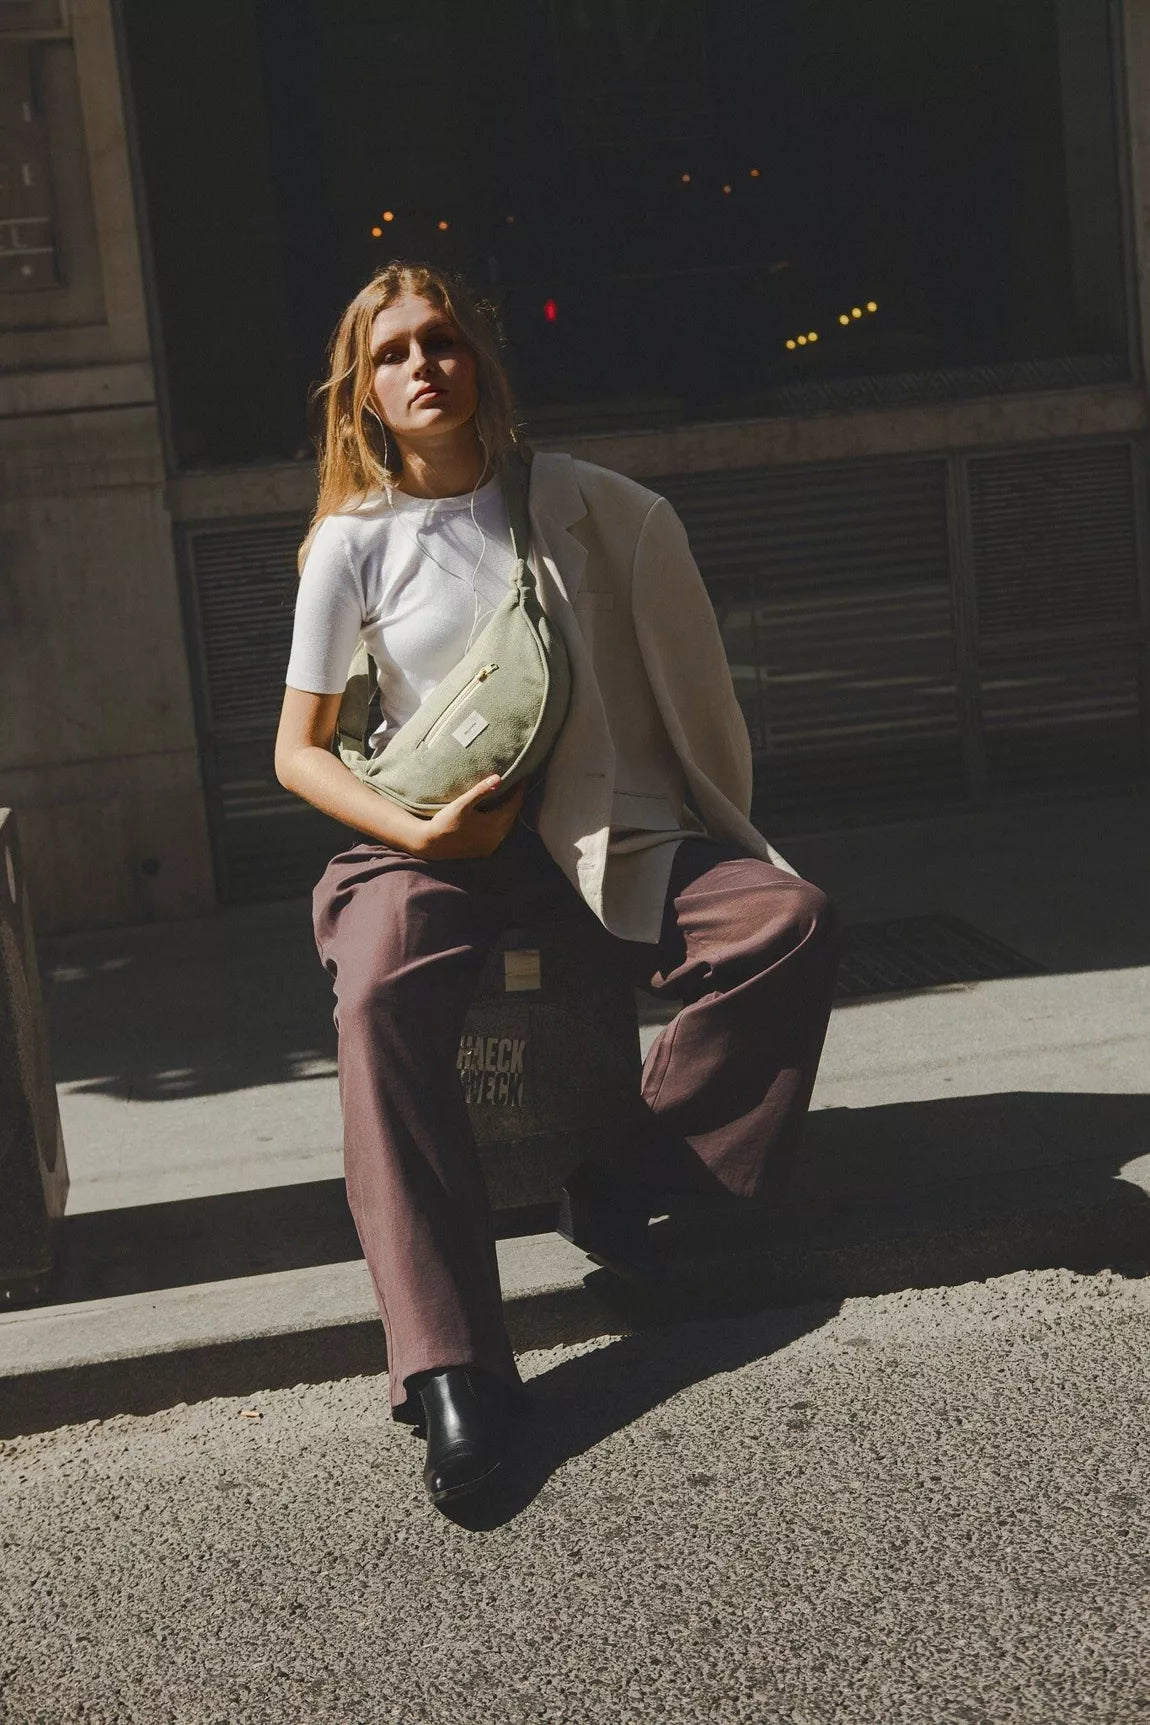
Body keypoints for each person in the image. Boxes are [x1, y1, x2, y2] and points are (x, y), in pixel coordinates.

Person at [275, 260, 840, 1509]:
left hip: (594, 838)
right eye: (391, 354)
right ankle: (453, 1368)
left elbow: (672, 684)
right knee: (377, 1004)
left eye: (440, 341)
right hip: (423, 845)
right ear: (363, 394)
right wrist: (420, 839)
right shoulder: (353, 544)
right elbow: (297, 752)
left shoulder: (579, 507)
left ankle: (636, 1179)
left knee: (786, 922)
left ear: (477, 359)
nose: (421, 367)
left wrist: (684, 810)